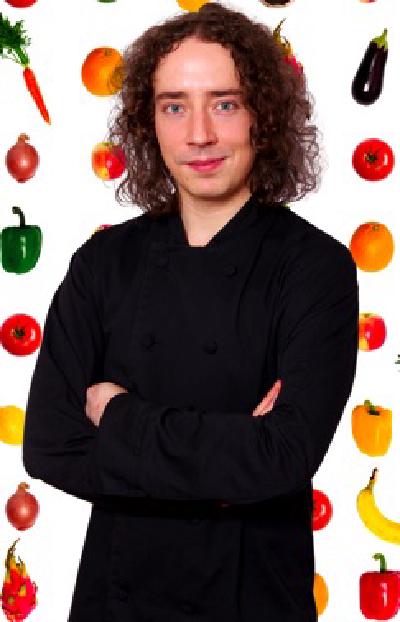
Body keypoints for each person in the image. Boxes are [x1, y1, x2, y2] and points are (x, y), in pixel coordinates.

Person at [22, 3, 359, 621]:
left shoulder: (316, 267)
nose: (198, 134)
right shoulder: (103, 262)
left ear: (264, 116)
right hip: (115, 603)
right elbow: (47, 446)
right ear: (148, 122)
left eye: (225, 104)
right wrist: (231, 465)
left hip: (254, 600)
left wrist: (118, 416)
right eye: (174, 106)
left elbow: (284, 457)